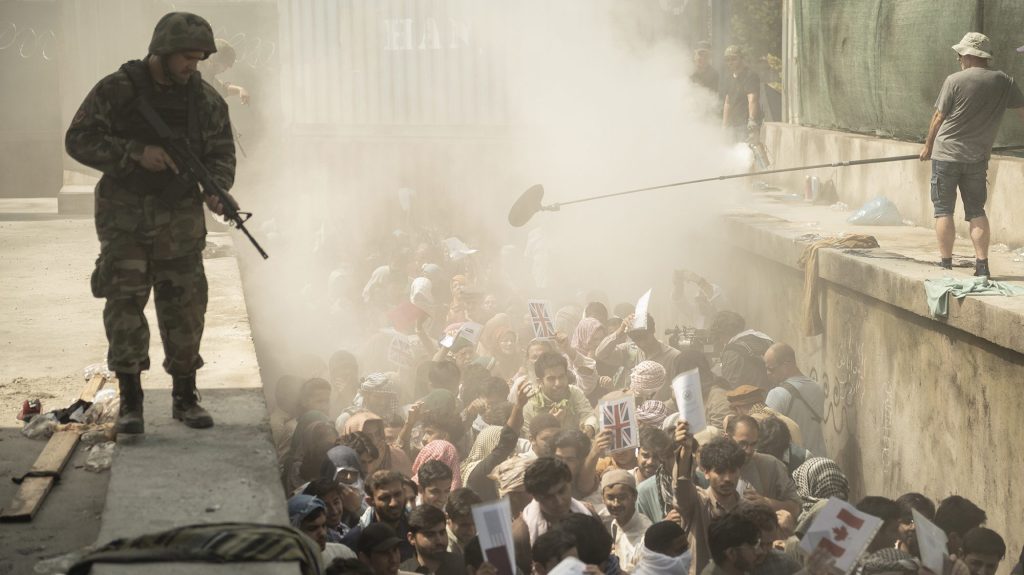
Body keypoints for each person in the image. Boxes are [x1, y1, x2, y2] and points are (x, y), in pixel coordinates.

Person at [65, 11, 237, 434]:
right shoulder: (117, 90)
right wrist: (134, 154)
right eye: (185, 58)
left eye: (198, 60)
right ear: (161, 52)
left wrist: (216, 191)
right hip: (124, 220)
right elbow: (78, 139)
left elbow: (220, 156)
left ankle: (184, 396)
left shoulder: (206, 100)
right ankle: (131, 401)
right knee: (124, 307)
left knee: (186, 308)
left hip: (179, 222)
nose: (191, 67)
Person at [919, 32, 1024, 276]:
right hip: (977, 158)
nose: (958, 60)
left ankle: (945, 264)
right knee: (976, 211)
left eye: (960, 55)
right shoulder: (1005, 82)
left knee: (943, 209)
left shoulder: (954, 80)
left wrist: (927, 147)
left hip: (946, 155)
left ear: (967, 56)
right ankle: (982, 266)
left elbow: (938, 117)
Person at [674, 423, 748, 575]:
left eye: (732, 471)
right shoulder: (697, 503)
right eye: (720, 472)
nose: (727, 479)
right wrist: (686, 452)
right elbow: (681, 485)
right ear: (706, 472)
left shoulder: (748, 510)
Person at [512, 457, 595, 573]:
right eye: (548, 497)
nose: (559, 501)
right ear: (535, 497)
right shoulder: (521, 534)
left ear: (570, 483)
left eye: (561, 491)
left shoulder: (588, 513)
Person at [725, 416, 801, 517]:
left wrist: (766, 503)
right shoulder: (713, 467)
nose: (748, 450)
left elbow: (796, 507)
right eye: (742, 444)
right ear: (727, 439)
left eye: (753, 444)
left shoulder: (771, 465)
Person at [763, 343, 826, 457]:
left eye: (771, 369)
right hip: (818, 459)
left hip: (795, 464)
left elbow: (767, 436)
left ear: (787, 363)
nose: (768, 374)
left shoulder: (777, 394)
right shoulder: (818, 388)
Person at [595, 314, 681, 393]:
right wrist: (620, 331)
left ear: (653, 330)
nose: (642, 344)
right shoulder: (630, 350)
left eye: (645, 338)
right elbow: (600, 354)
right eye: (637, 340)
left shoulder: (674, 357)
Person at [342, 470, 415, 561]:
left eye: (397, 494)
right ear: (370, 501)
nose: (394, 503)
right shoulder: (355, 540)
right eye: (385, 498)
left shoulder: (416, 529)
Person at [520, 352, 597, 438]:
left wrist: (589, 428)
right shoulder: (529, 404)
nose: (558, 383)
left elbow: (589, 415)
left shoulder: (574, 392)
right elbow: (530, 440)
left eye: (561, 377)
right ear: (540, 382)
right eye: (551, 379)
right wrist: (551, 425)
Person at [601, 469, 652, 572]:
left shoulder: (646, 535)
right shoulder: (614, 524)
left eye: (622, 497)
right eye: (610, 498)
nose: (616, 504)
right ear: (603, 499)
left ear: (634, 497)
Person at [733, 502, 803, 575]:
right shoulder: (723, 566)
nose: (763, 551)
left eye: (769, 544)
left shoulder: (784, 564)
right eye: (758, 544)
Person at [709, 312, 773, 392]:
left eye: (719, 336)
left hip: (753, 400)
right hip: (770, 395)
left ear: (724, 333)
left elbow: (729, 389)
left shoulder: (732, 352)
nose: (720, 341)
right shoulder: (762, 339)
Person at [287, 494, 357, 564]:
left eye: (323, 525)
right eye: (312, 528)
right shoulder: (285, 566)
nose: (323, 533)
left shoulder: (343, 554)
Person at [401, 505, 468, 575]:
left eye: (442, 533)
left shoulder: (463, 566)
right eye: (430, 535)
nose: (439, 540)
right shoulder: (402, 572)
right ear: (411, 538)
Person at [721, 45, 762, 144]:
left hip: (745, 125)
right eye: (728, 60)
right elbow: (727, 102)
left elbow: (752, 99)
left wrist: (752, 121)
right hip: (732, 125)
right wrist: (724, 126)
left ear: (741, 59)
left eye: (734, 59)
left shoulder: (750, 75)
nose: (730, 62)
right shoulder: (728, 78)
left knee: (747, 154)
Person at [895, 492, 935, 558]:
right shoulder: (883, 556)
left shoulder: (932, 559)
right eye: (908, 520)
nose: (914, 527)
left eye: (921, 523)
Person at [445, 488, 482, 556]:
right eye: (464, 525)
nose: (471, 531)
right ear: (447, 518)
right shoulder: (444, 548)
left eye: (476, 523)